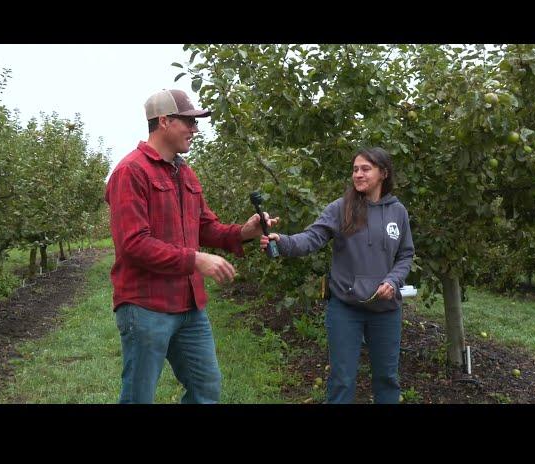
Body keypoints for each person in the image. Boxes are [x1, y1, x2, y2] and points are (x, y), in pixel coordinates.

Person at [105, 89, 277, 404]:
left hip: (189, 307)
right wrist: (195, 260)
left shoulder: (184, 172)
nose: (195, 130)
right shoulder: (131, 172)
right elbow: (133, 244)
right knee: (138, 396)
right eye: (189, 122)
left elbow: (204, 226)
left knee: (205, 388)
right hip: (146, 306)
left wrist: (244, 232)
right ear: (164, 121)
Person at [261, 147, 414, 403]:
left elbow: (405, 255)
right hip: (346, 308)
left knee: (387, 377)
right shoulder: (341, 208)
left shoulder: (398, 212)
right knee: (342, 378)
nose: (358, 174)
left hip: (386, 309)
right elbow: (312, 237)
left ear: (383, 173)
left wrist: (393, 280)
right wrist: (284, 242)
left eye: (366, 169)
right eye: (355, 169)